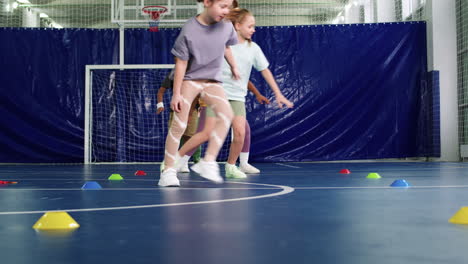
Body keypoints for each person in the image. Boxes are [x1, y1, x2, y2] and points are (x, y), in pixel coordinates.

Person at [174, 7, 294, 179]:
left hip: (237, 98)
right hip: (217, 93)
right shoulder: (220, 44)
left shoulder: (254, 49)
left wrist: (278, 93)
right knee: (205, 133)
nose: (254, 29)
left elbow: (265, 71)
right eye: (250, 26)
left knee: (240, 132)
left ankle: (231, 166)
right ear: (237, 26)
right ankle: (178, 159)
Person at [158, 0, 240, 187]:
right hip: (191, 80)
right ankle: (168, 172)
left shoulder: (227, 26)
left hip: (212, 81)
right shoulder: (189, 30)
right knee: (179, 125)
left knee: (226, 115)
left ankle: (208, 161)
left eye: (229, 7)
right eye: (222, 6)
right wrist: (177, 93)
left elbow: (226, 47)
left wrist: (234, 66)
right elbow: (181, 63)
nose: (226, 11)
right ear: (207, 3)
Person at [156, 70, 201, 172]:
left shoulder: (197, 73)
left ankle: (182, 163)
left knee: (189, 137)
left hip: (192, 109)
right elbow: (161, 91)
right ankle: (168, 162)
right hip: (177, 109)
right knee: (174, 135)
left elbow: (197, 96)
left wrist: (189, 114)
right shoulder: (174, 73)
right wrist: (160, 104)